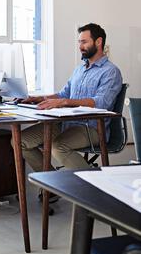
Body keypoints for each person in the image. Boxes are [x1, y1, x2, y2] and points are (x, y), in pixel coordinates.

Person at [17, 23, 123, 172]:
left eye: (84, 42)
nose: (80, 46)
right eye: (79, 42)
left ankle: (95, 189)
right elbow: (64, 94)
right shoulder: (79, 69)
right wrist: (40, 98)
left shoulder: (110, 71)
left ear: (98, 42)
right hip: (65, 124)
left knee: (59, 147)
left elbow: (101, 102)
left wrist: (65, 102)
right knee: (20, 141)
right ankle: (51, 187)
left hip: (90, 128)